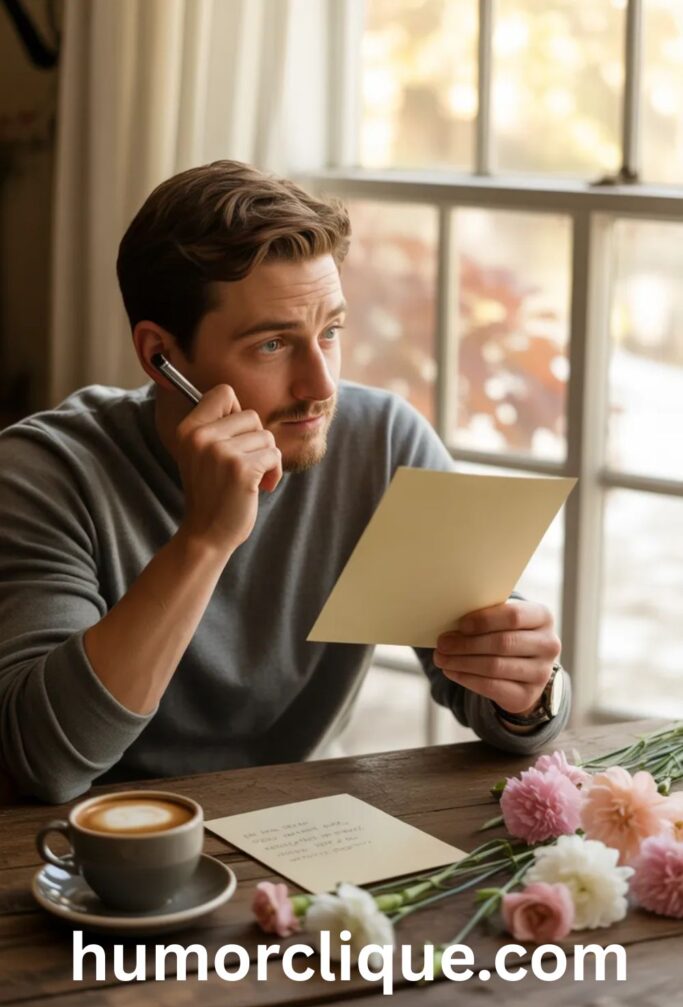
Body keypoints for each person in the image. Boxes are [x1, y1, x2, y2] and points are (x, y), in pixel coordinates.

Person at [0, 161, 570, 804]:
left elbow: (496, 698)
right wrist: (206, 540)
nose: (322, 386)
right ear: (160, 354)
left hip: (298, 828)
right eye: (272, 345)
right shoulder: (46, 473)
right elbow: (44, 760)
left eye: (329, 332)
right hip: (96, 852)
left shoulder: (381, 441)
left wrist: (529, 691)